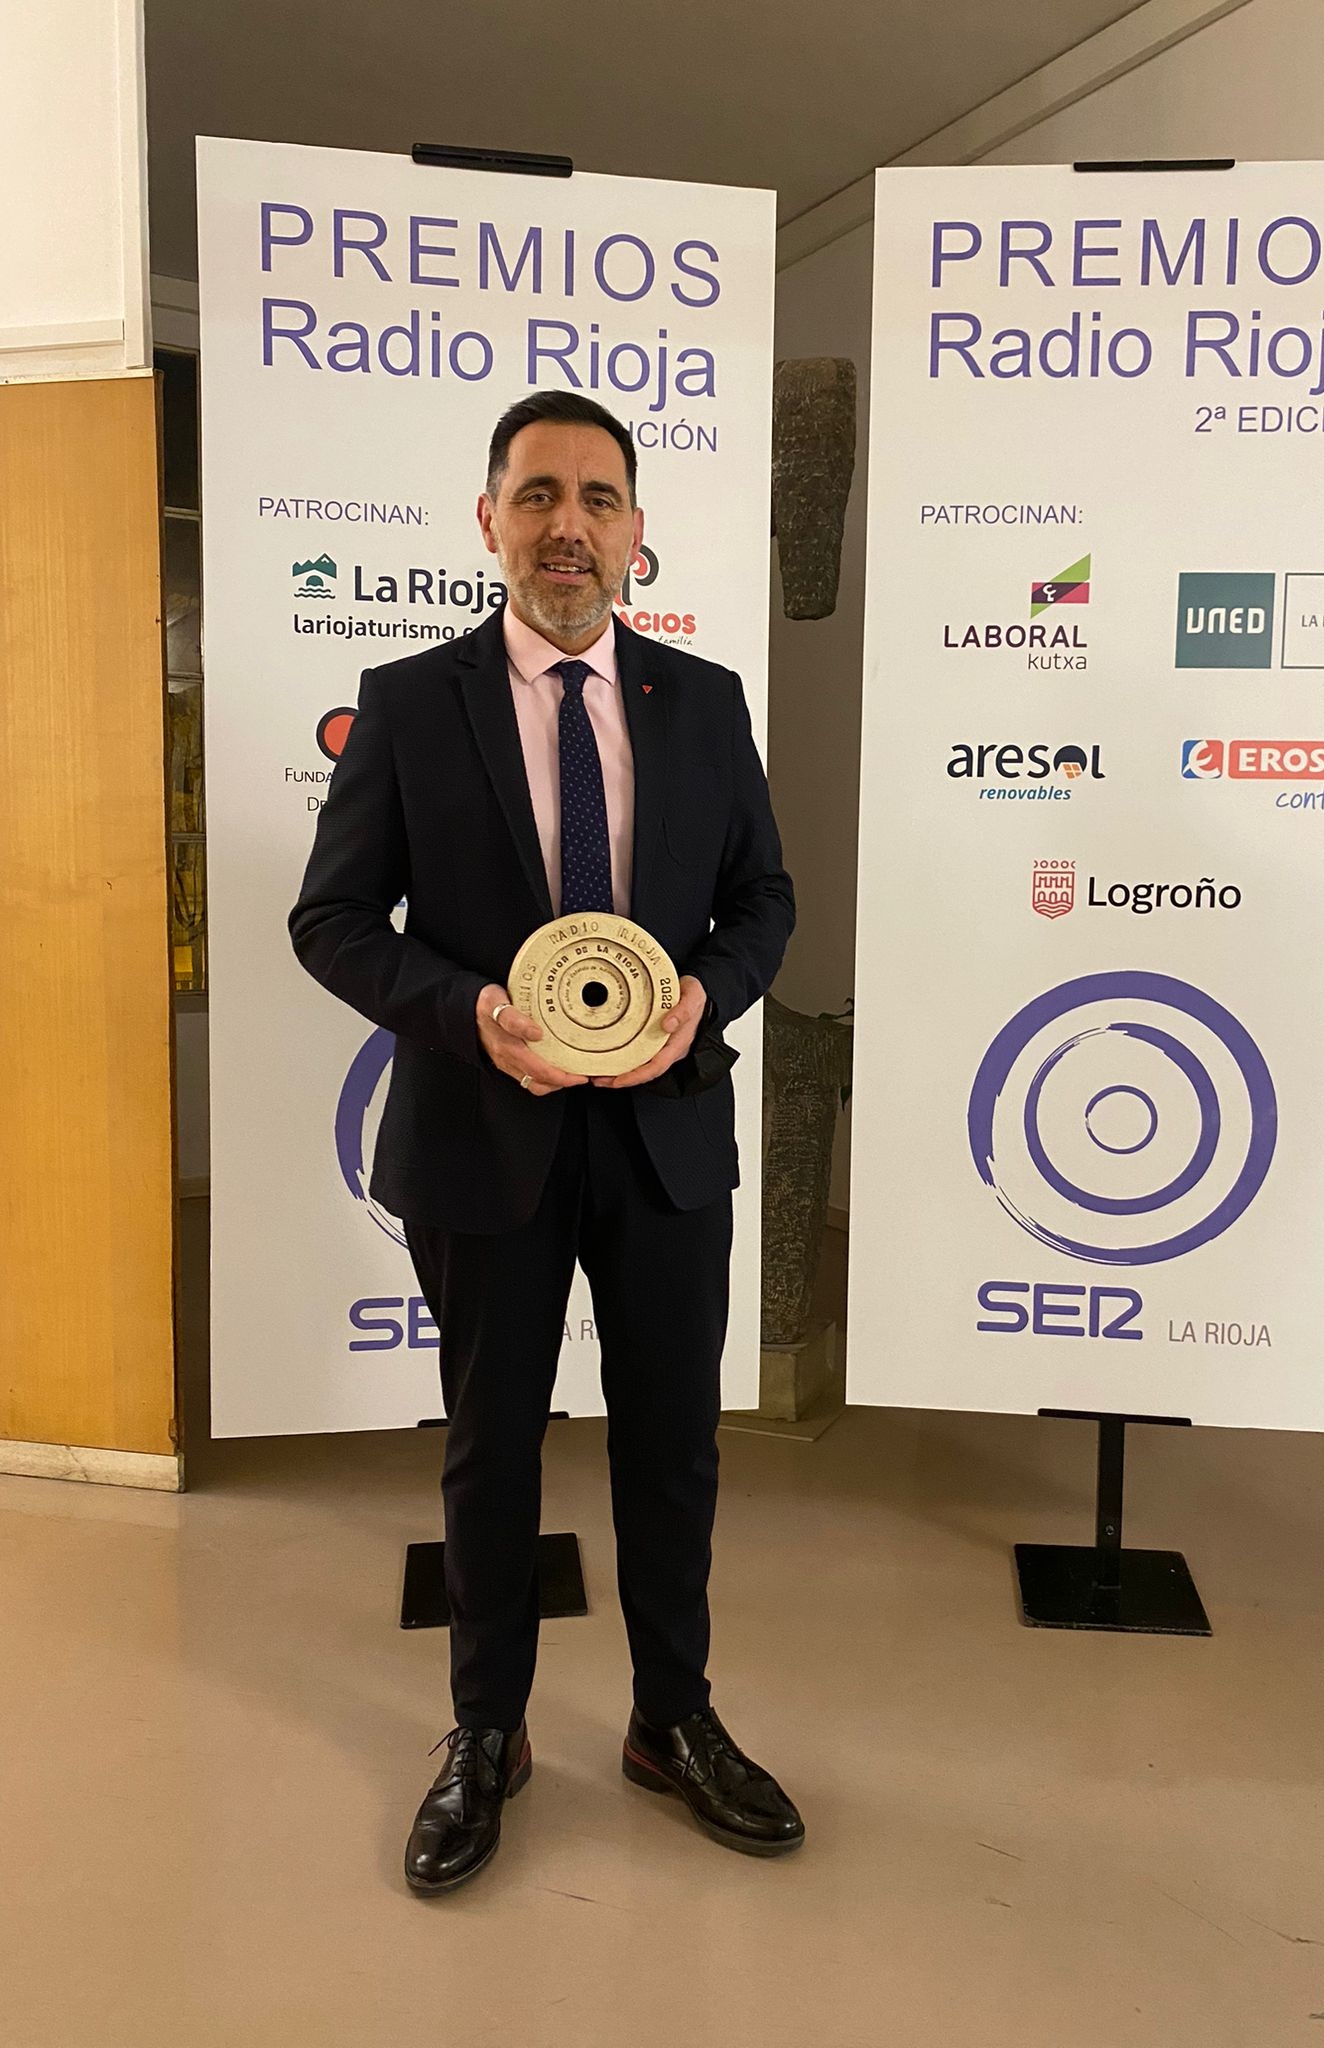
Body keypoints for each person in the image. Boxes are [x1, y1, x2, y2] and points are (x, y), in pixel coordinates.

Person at [289, 389, 802, 1892]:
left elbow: (762, 899)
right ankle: (486, 1734)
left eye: (597, 498)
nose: (567, 525)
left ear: (636, 532)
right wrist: (467, 1013)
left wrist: (702, 996)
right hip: (482, 1134)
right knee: (489, 1447)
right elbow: (332, 920)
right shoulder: (410, 703)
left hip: (664, 1137)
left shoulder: (703, 703)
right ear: (490, 521)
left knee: (674, 1446)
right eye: (537, 495)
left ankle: (671, 1719)